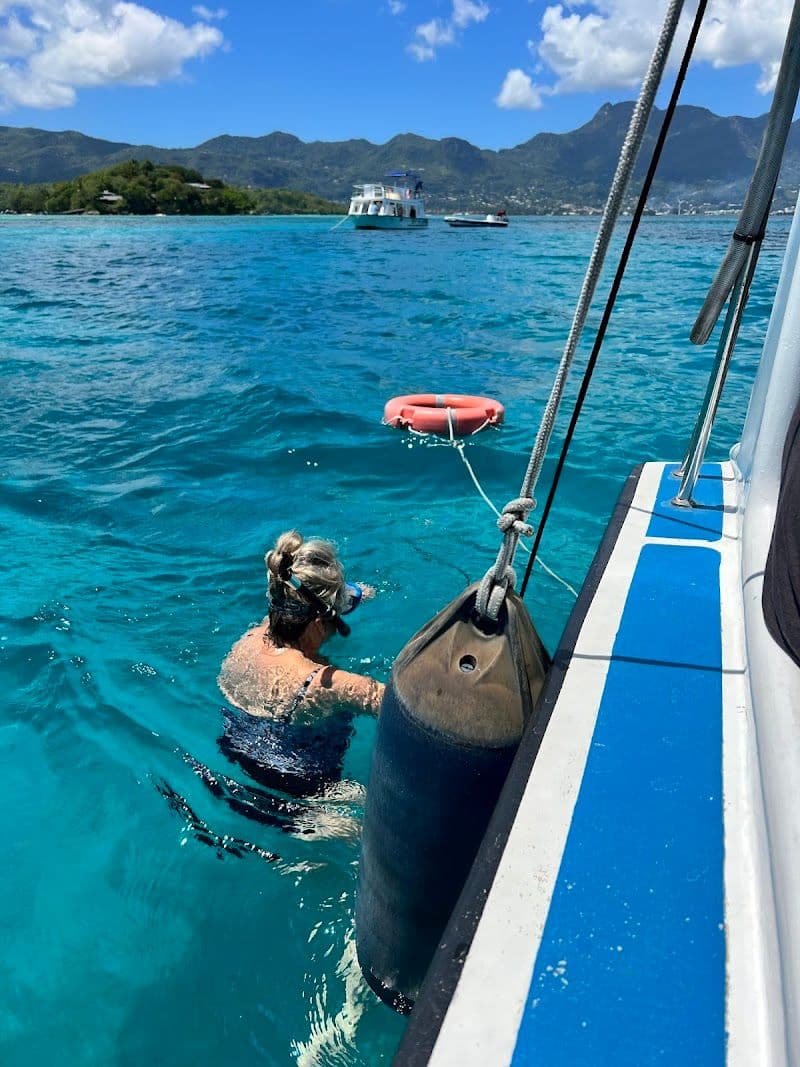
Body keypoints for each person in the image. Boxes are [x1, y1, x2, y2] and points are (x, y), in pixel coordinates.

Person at [215, 530, 384, 799]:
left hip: (230, 764)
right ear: (318, 624)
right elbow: (411, 709)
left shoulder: (252, 638)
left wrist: (356, 594)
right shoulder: (329, 684)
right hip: (298, 802)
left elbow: (295, 595)